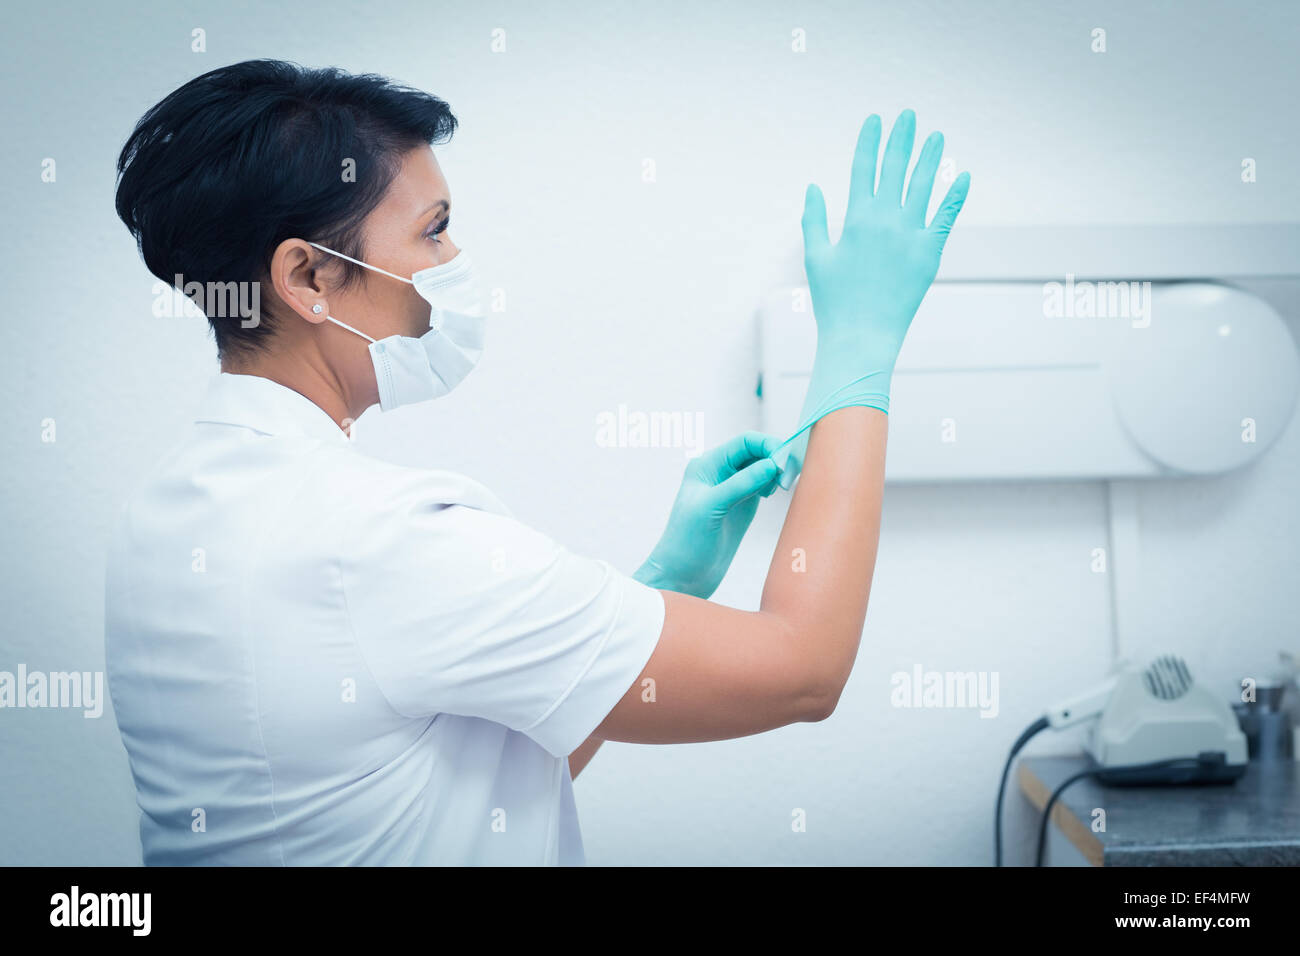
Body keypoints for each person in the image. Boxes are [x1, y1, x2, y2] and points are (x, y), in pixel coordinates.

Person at [105, 59, 969, 865]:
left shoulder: (163, 519)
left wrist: (666, 585)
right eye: (433, 233)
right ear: (308, 278)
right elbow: (804, 670)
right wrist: (860, 344)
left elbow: (463, 791)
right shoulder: (384, 541)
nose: (454, 265)